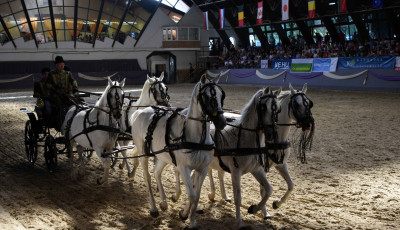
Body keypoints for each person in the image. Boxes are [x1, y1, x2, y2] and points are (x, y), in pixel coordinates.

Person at [46, 56, 78, 129]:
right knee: (60, 106)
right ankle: (60, 123)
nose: (62, 65)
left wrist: (75, 87)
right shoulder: (51, 74)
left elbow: (73, 81)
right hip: (55, 96)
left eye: (63, 64)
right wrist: (55, 88)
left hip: (67, 95)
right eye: (60, 64)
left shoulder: (68, 73)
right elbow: (47, 84)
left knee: (76, 103)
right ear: (56, 65)